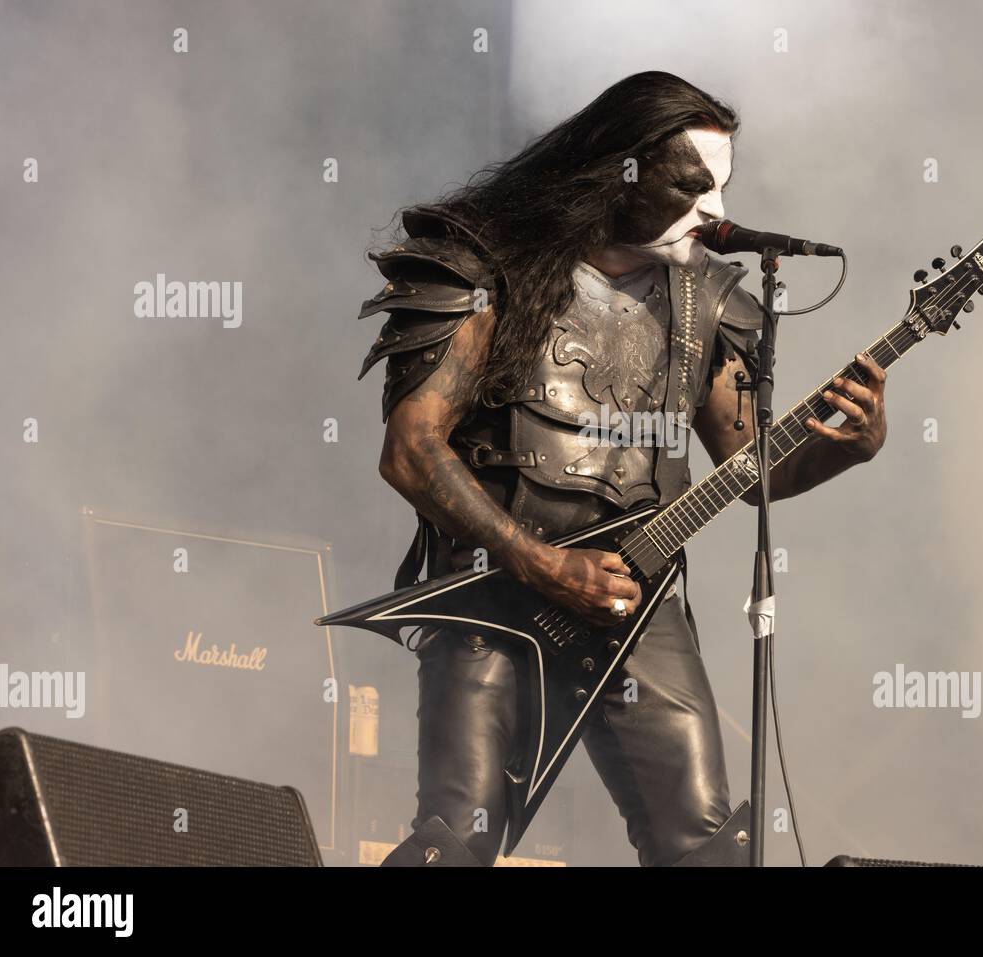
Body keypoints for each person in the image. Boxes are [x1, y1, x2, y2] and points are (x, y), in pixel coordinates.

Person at [358, 71, 887, 866]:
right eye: (691, 184)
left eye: (723, 187)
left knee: (710, 847)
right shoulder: (486, 265)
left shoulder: (705, 299)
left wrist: (849, 447)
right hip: (497, 594)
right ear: (620, 170)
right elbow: (411, 448)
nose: (714, 209)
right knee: (454, 844)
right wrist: (541, 564)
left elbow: (754, 470)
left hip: (639, 604)